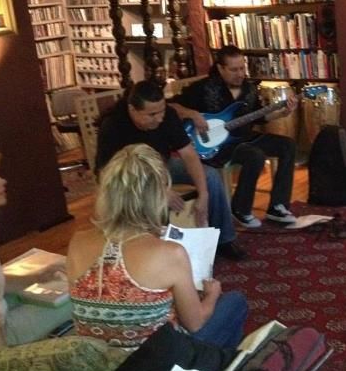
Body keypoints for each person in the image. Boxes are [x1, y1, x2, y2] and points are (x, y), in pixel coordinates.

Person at [67, 144, 248, 349]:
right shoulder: (171, 253)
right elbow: (195, 323)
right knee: (235, 302)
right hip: (154, 363)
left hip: (97, 360)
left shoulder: (77, 242)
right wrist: (212, 294)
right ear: (157, 197)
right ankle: (218, 364)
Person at [96, 80, 246, 260]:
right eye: (151, 114)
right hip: (130, 177)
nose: (159, 118)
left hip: (164, 166)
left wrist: (204, 194)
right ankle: (157, 250)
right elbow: (105, 172)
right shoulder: (113, 125)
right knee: (154, 200)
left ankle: (224, 239)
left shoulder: (168, 115)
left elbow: (188, 153)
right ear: (132, 109)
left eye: (161, 111)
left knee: (211, 177)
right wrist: (158, 190)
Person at [169, 45, 298, 228]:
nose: (240, 74)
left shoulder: (249, 89)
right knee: (254, 155)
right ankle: (241, 210)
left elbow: (259, 116)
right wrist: (193, 114)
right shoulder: (203, 88)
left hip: (244, 137)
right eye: (234, 70)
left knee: (288, 145)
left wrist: (282, 113)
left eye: (242, 68)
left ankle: (278, 206)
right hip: (217, 146)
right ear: (221, 68)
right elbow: (172, 106)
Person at [0, 147, 71, 350]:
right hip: (2, 333)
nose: (2, 181)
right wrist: (7, 362)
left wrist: (37, 277)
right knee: (80, 296)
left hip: (1, 314)